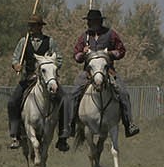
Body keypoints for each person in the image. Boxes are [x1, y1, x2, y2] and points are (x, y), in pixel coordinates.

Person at [62, 8, 140, 141]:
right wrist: (83, 52)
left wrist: (110, 53)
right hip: (88, 72)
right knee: (72, 95)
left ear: (100, 21)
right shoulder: (84, 36)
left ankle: (129, 124)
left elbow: (121, 50)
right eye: (90, 21)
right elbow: (76, 55)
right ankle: (70, 125)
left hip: (107, 71)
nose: (92, 24)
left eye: (95, 21)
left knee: (123, 92)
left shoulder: (110, 34)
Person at [8, 15, 55, 150]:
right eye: (30, 25)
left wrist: (50, 66)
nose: (31, 28)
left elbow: (59, 59)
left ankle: (63, 135)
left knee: (64, 99)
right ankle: (15, 134)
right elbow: (15, 59)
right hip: (27, 80)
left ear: (40, 27)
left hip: (46, 80)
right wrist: (16, 65)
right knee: (12, 102)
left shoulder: (50, 42)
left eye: (34, 25)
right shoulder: (23, 42)